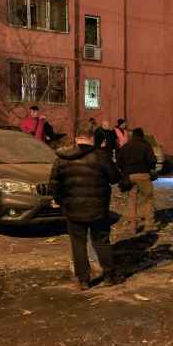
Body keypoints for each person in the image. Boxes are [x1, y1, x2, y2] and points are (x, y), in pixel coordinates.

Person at [50, 122, 122, 290]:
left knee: (78, 243)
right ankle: (109, 275)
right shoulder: (100, 156)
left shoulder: (61, 159)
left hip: (73, 209)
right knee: (101, 241)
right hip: (98, 209)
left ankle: (83, 279)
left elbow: (54, 185)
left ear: (76, 138)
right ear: (92, 139)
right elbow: (114, 177)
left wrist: (62, 202)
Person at [117, 128, 157, 233]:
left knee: (132, 200)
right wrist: (150, 168)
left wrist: (124, 170)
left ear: (133, 136)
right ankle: (149, 224)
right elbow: (153, 161)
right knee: (148, 198)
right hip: (143, 175)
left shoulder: (126, 147)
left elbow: (119, 161)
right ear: (142, 136)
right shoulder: (146, 146)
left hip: (129, 176)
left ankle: (133, 226)